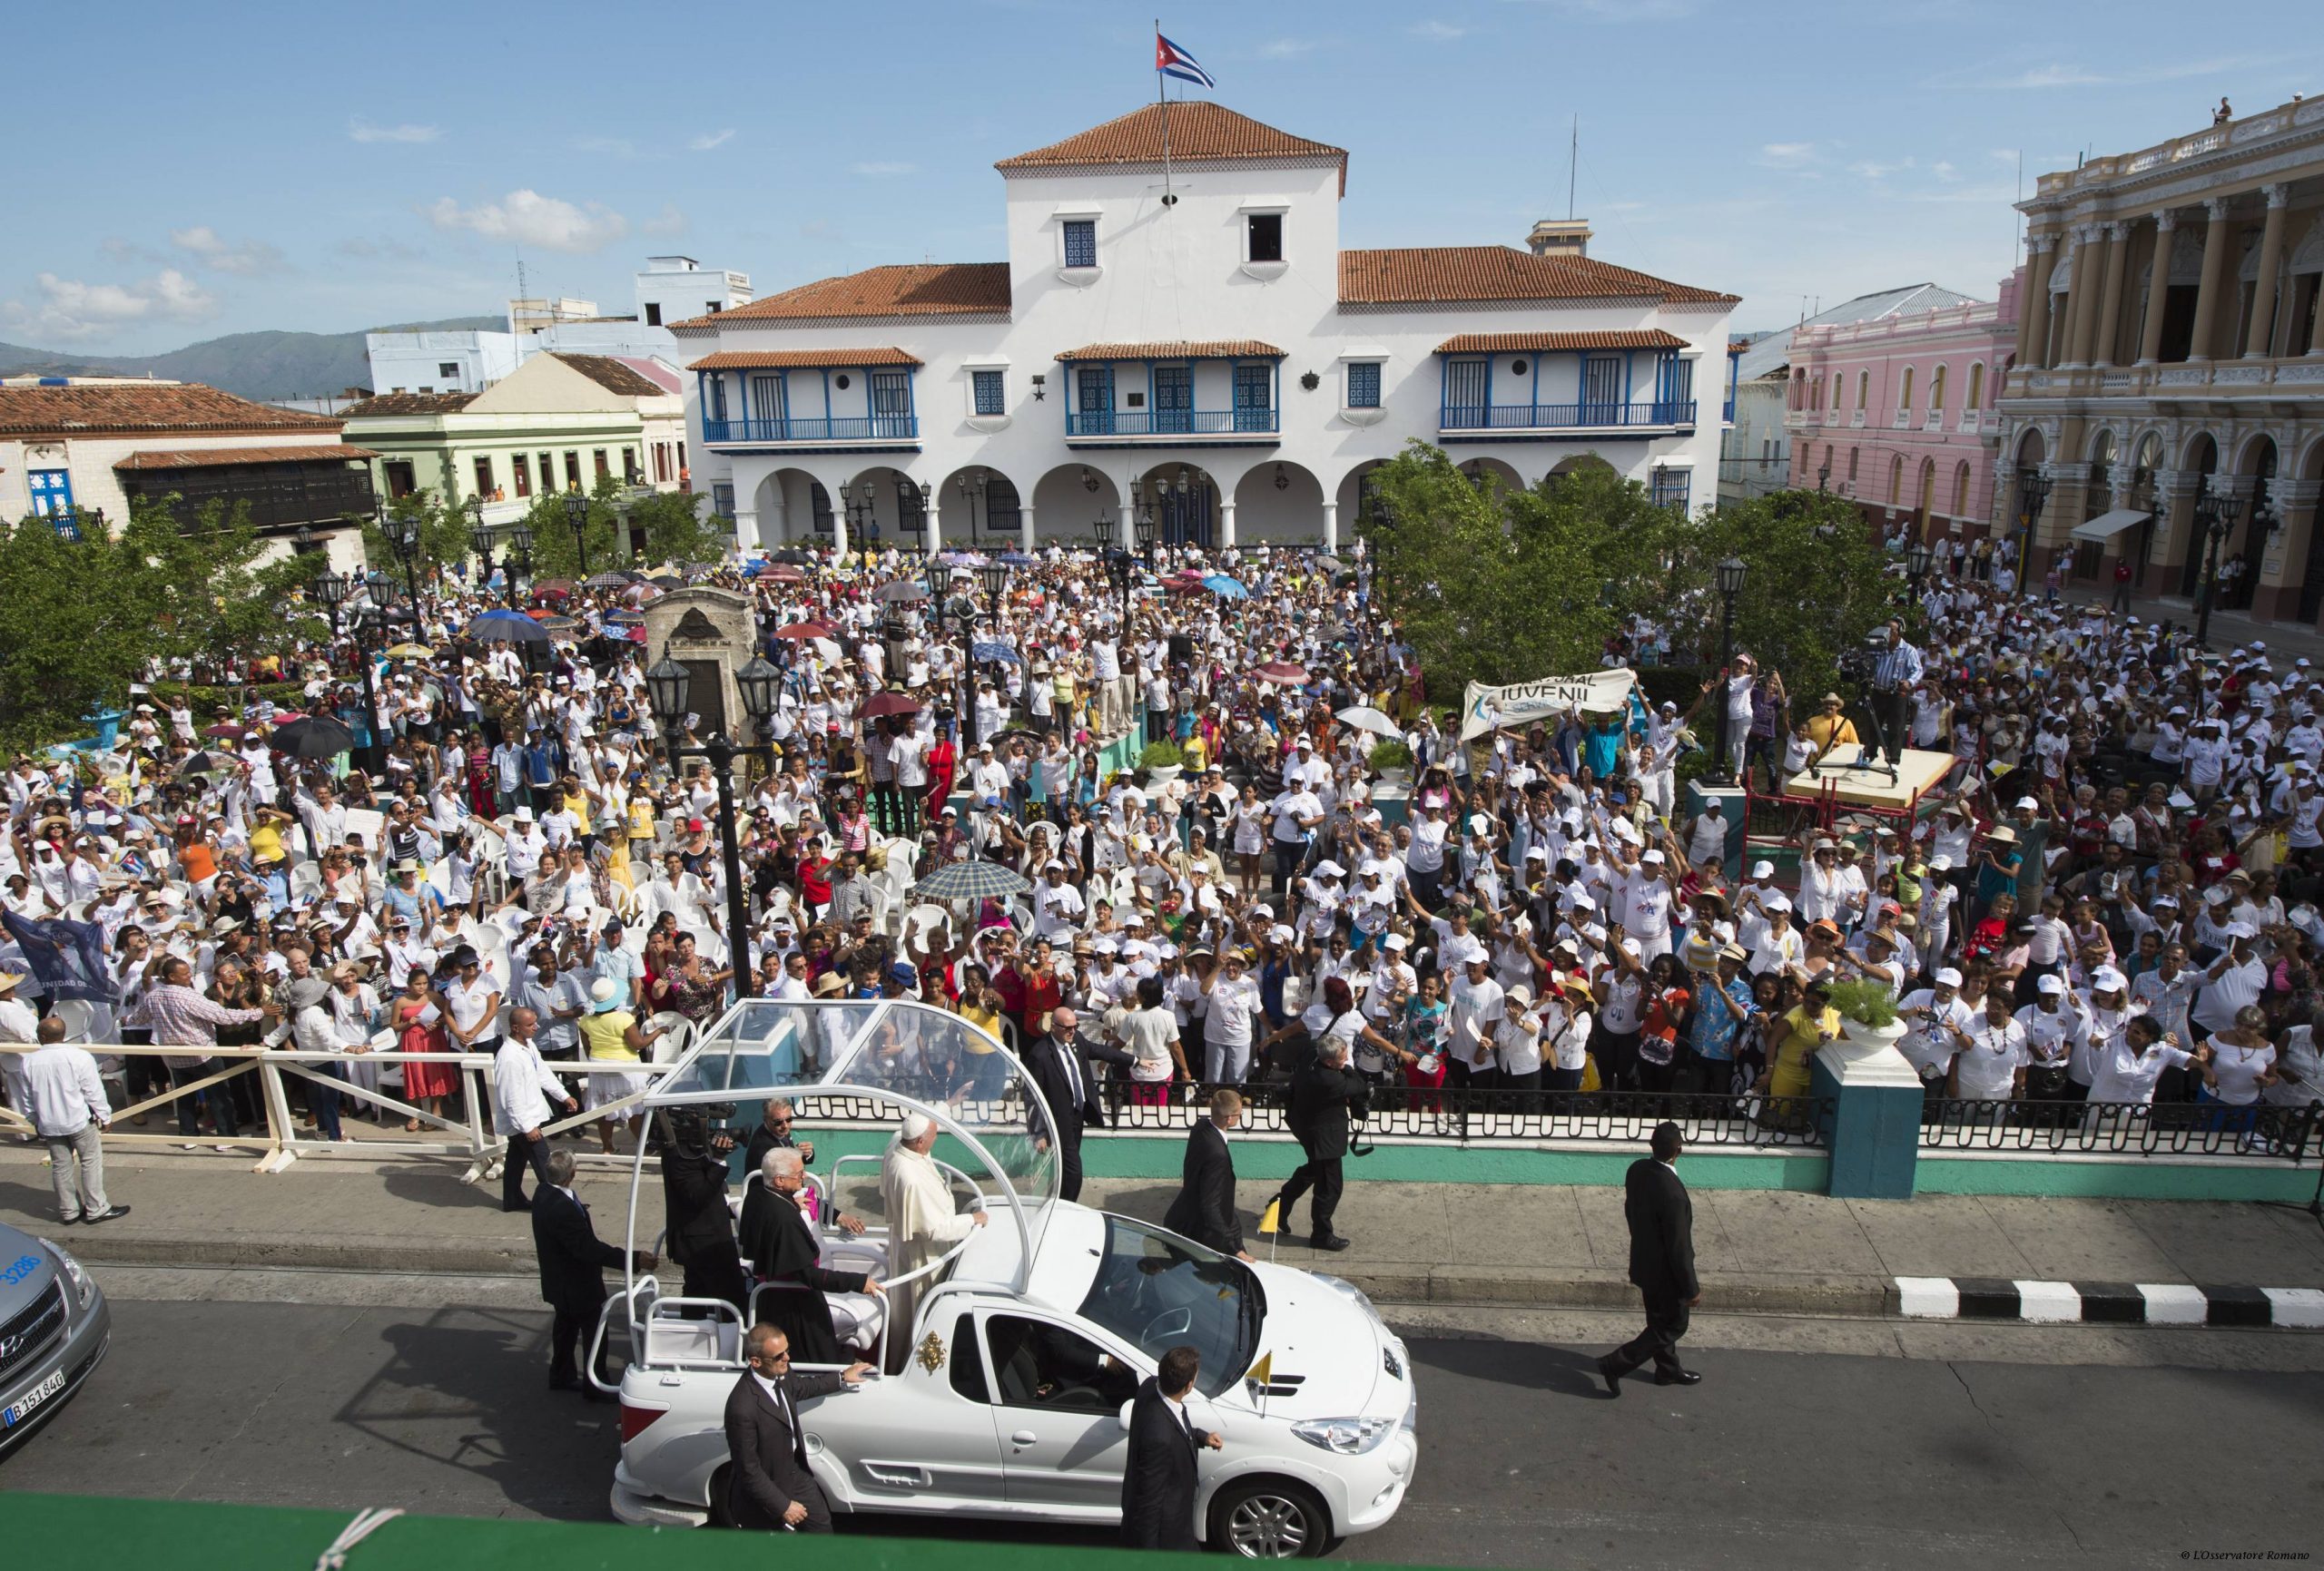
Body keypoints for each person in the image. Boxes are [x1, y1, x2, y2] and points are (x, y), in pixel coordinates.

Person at [721, 1323, 872, 1532]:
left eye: (787, 1351)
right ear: (755, 1362)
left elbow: (800, 1387)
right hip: (768, 1484)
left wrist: (842, 1377)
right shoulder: (742, 1407)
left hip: (795, 1471)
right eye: (779, 1356)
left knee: (820, 1527)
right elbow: (749, 1470)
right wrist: (783, 1505)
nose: (787, 1358)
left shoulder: (779, 1372)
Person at [738, 1147, 882, 1366]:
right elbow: (809, 1275)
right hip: (794, 1305)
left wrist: (793, 1205)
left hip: (772, 1298)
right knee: (817, 1361)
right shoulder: (784, 1220)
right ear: (778, 1180)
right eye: (798, 1174)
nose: (804, 1177)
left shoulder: (757, 1195)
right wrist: (858, 1281)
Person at [530, 1147, 655, 1395]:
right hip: (576, 1284)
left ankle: (561, 1374)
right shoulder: (562, 1209)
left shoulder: (543, 1192)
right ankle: (595, 1382)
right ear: (572, 1174)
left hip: (559, 1282)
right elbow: (588, 1249)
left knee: (565, 1327)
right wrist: (633, 1259)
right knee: (594, 1331)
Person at [877, 1112, 990, 1370]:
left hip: (903, 1241)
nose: (935, 1140)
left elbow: (921, 1124)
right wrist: (972, 1220)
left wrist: (949, 1105)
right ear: (919, 1142)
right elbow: (933, 1230)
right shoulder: (911, 1179)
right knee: (921, 1311)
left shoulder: (898, 1144)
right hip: (924, 1253)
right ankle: (918, 1366)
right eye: (933, 1136)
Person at [1597, 1121, 1700, 1394]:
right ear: (1678, 1150)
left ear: (1651, 1147)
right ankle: (1616, 1363)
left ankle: (1668, 1370)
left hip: (1644, 1264)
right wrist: (1691, 1288)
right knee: (1673, 1325)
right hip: (1667, 1275)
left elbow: (1631, 1211)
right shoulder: (1674, 1194)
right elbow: (1679, 1247)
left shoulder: (1638, 1170)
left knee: (1657, 1320)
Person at [3, 1014, 129, 1224]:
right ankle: (97, 1208)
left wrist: (34, 1120)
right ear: (63, 1034)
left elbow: (26, 1098)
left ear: (42, 1036)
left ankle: (69, 1211)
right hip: (77, 1120)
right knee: (90, 1163)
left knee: (61, 1166)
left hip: (49, 1123)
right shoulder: (79, 1056)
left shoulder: (29, 1062)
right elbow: (93, 1091)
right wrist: (104, 1115)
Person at [1270, 1025, 1370, 1252]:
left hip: (1305, 1126)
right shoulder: (1329, 1080)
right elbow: (1359, 1085)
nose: (1347, 1060)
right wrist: (1348, 1069)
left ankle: (1278, 1207)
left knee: (1313, 1171)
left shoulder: (1312, 1053)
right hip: (1324, 1137)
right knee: (1330, 1187)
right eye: (1342, 1059)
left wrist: (1342, 1065)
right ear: (1328, 1062)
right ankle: (1322, 1235)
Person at [1019, 1004, 1133, 1203]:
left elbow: (1101, 1051)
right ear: (1053, 1027)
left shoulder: (1077, 1040)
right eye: (1067, 1028)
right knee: (1074, 1170)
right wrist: (1038, 1133)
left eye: (1075, 1027)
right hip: (1058, 1120)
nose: (1072, 1031)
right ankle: (1068, 1206)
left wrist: (1135, 1061)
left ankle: (1059, 1201)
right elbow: (1031, 1096)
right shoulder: (1040, 1055)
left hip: (1077, 1115)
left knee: (1067, 1166)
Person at [1120, 1343, 1222, 1552]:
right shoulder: (1160, 1440)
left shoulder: (1150, 1387)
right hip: (1167, 1536)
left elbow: (1176, 1426)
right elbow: (1148, 1502)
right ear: (1189, 1386)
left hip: (1177, 1525)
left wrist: (1202, 1437)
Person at [663, 1105, 751, 1317]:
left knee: (697, 1293)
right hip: (702, 1242)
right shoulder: (680, 1155)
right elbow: (697, 1195)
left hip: (706, 1236)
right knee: (731, 1299)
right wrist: (718, 1160)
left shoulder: (693, 1149)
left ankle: (698, 1338)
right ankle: (732, 1343)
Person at [492, 1006, 577, 1212]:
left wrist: (563, 1095)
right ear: (515, 1028)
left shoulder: (528, 1045)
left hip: (528, 1116)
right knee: (546, 1165)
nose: (536, 1027)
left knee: (515, 1160)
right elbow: (510, 1097)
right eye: (530, 1025)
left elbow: (543, 1073)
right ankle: (559, 1206)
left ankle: (512, 1200)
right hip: (523, 1121)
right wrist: (527, 1126)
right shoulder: (509, 1058)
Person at [1163, 1087, 1249, 1260]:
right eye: (1239, 1114)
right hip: (1202, 1235)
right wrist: (1234, 1248)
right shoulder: (1218, 1156)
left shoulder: (1200, 1126)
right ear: (1229, 1118)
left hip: (1182, 1218)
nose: (1240, 1116)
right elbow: (1210, 1206)